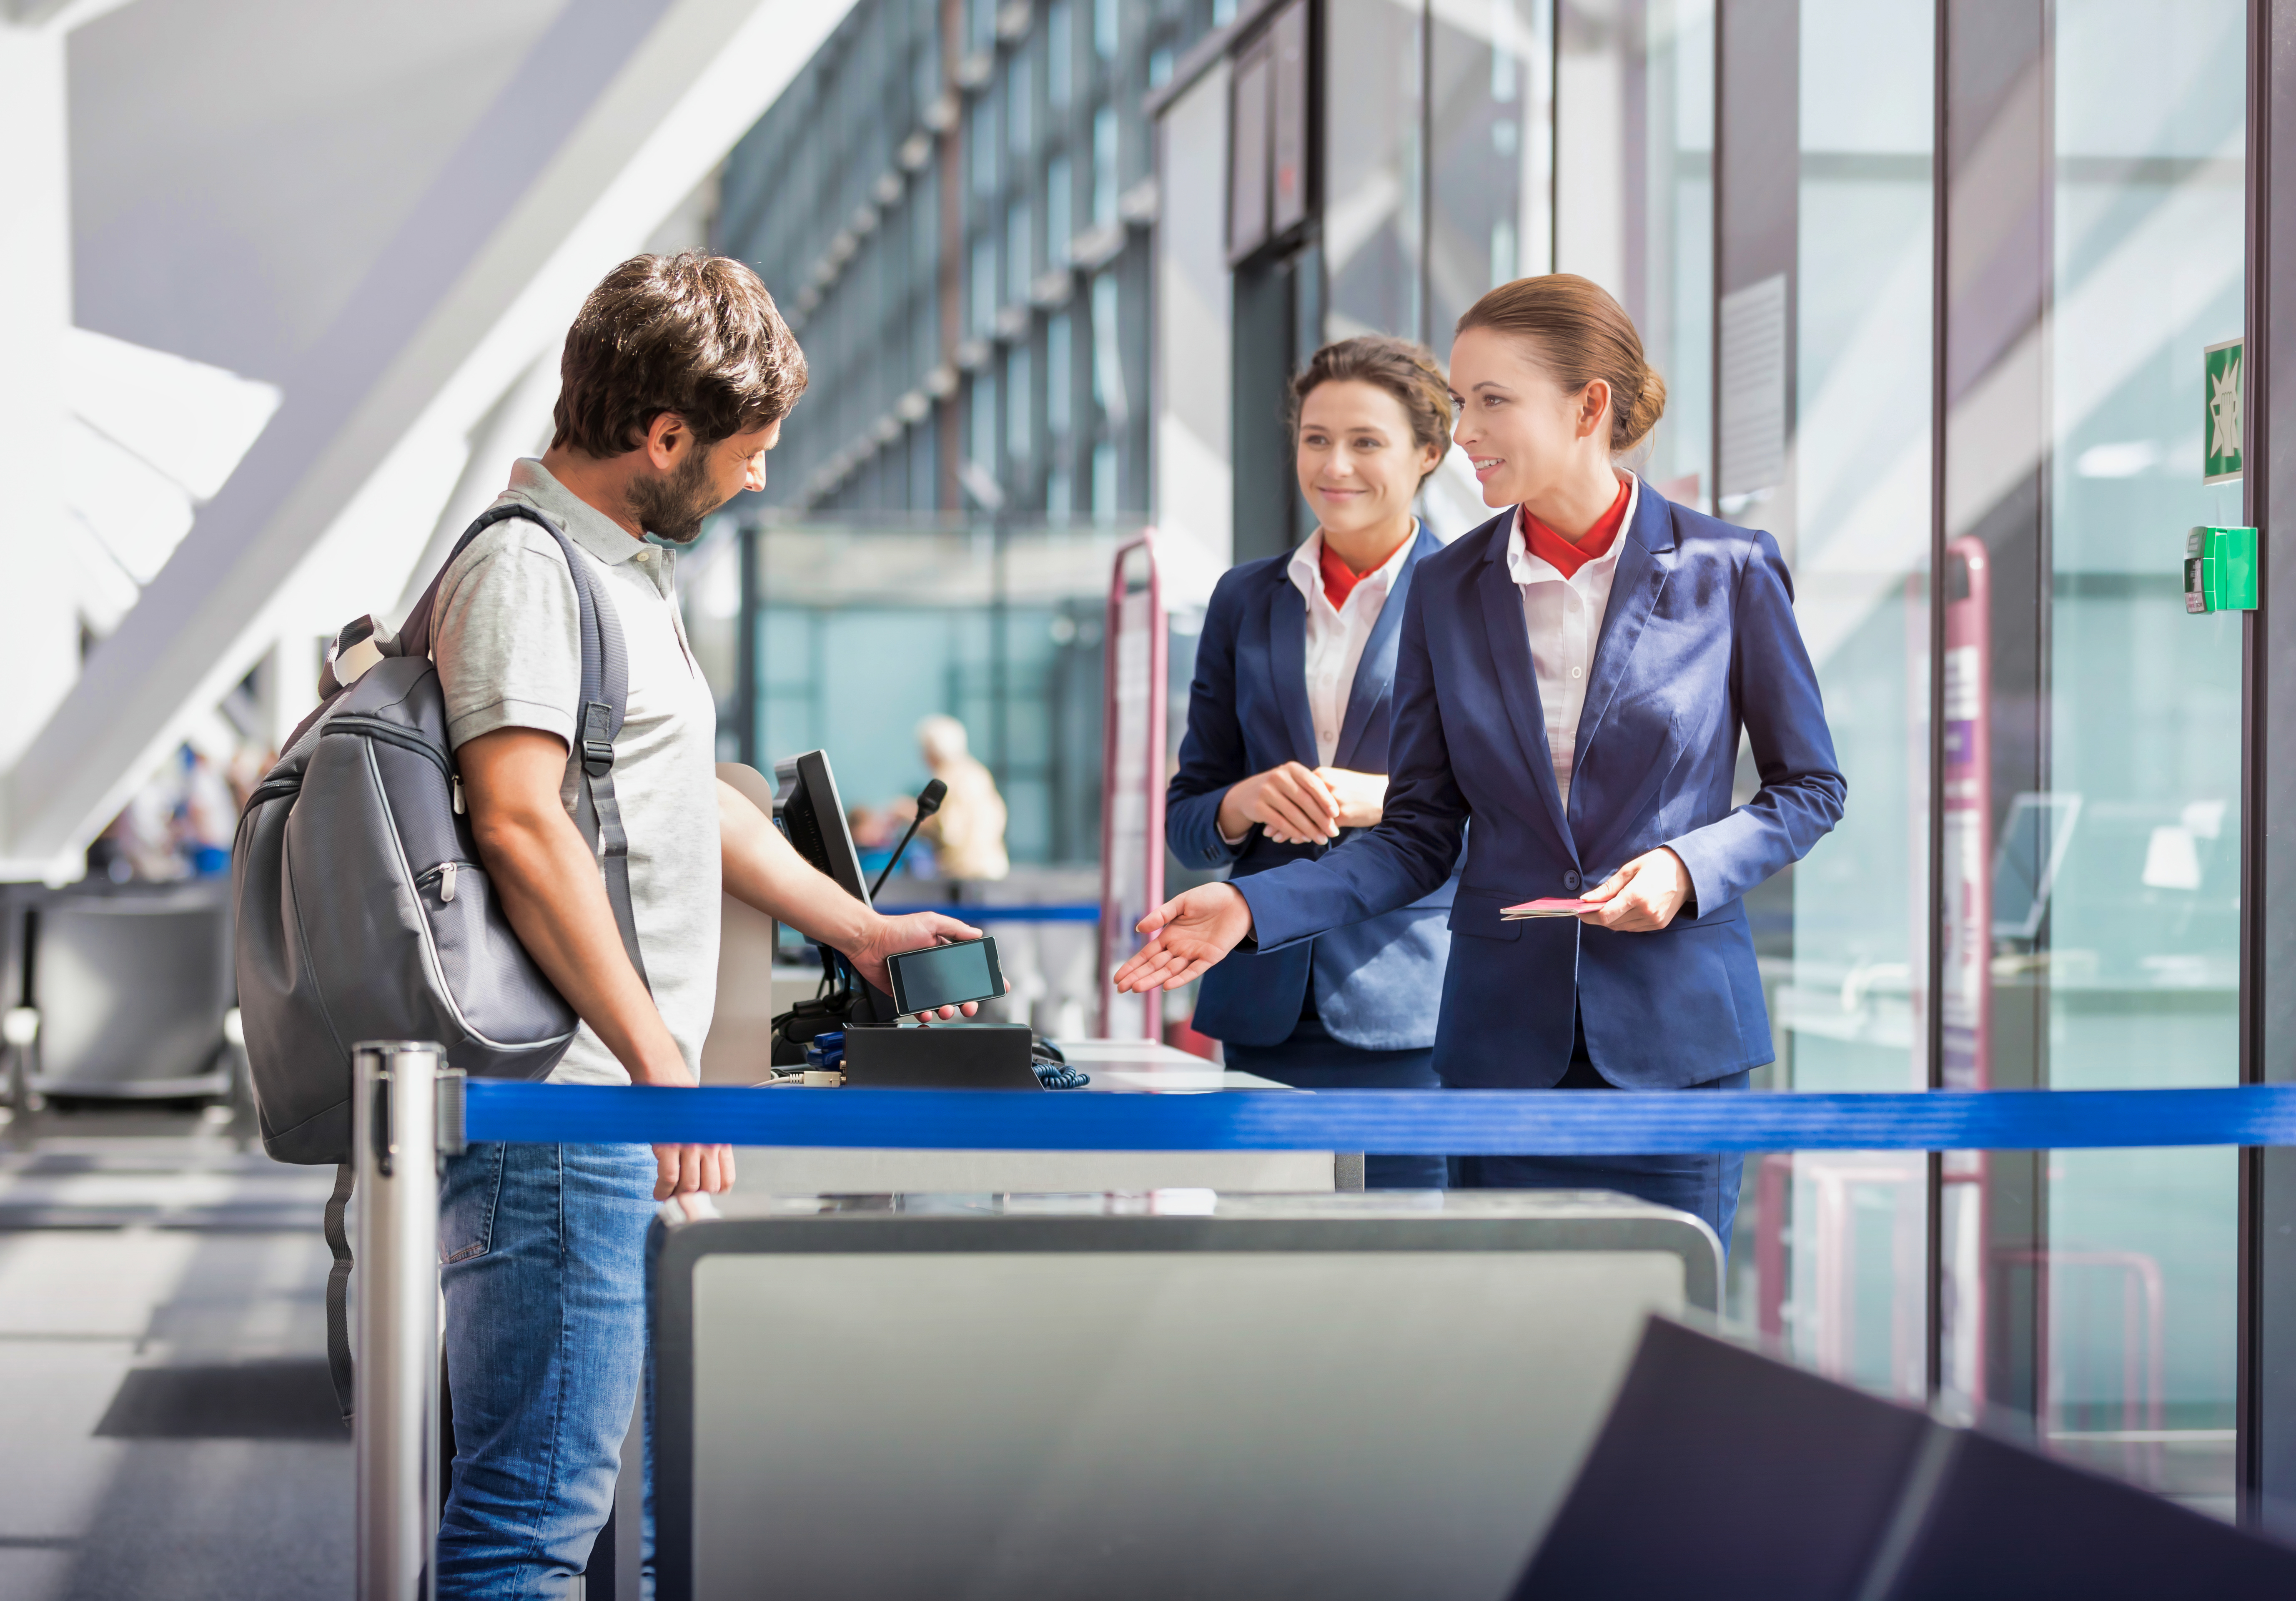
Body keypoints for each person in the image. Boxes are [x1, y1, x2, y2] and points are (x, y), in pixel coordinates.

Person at [430, 251, 983, 1596]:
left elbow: (682, 805)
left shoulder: (618, 571)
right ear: (662, 434)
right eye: (748, 450)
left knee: (621, 1486)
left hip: (610, 1100)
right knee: (532, 1510)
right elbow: (518, 822)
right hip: (568, 1108)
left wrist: (853, 927)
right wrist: (655, 1072)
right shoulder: (528, 569)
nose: (758, 478)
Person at [1115, 273, 1846, 1244]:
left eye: (1491, 402)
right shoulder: (1449, 586)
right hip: (1498, 1049)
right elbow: (1418, 833)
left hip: (1676, 1042)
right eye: (1460, 403)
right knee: (1502, 1360)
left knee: (1656, 1346)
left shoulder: (1728, 570)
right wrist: (1251, 904)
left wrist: (1684, 867)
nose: (1463, 432)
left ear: (1588, 405)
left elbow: (1808, 789)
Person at [1166, 335, 1458, 1188]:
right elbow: (1191, 819)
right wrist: (1244, 801)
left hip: (1409, 1003)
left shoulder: (1476, 598)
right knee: (1264, 1279)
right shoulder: (1245, 599)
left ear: (1428, 454)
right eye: (1316, 438)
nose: (1336, 465)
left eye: (1367, 442)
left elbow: (1514, 811)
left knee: (1405, 1282)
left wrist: (1386, 799)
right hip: (1261, 1002)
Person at [915, 713, 1009, 884]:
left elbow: (950, 831)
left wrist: (912, 818)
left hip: (966, 873)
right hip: (993, 866)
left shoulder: (948, 778)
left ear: (932, 749)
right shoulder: (977, 771)